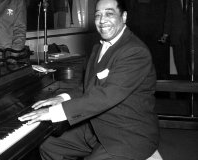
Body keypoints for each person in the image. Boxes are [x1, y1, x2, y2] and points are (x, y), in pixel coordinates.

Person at [19, 0, 159, 159]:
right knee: (50, 146)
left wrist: (54, 112)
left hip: (128, 135)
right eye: (98, 15)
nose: (102, 20)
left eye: (109, 14)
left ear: (124, 16)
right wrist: (62, 97)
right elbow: (88, 86)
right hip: (97, 128)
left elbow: (105, 96)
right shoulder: (98, 47)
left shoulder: (135, 51)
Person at [159, 0, 190, 78]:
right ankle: (184, 87)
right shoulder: (172, 1)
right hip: (177, 37)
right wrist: (165, 35)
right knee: (181, 66)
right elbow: (168, 16)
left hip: (193, 37)